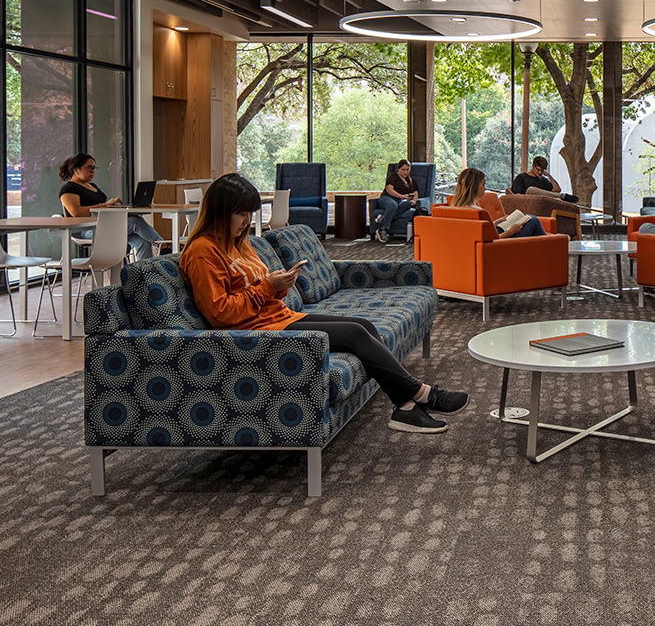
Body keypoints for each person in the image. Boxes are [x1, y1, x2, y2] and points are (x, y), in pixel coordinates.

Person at [179, 173, 467, 434]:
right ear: (220, 212)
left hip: (277, 319)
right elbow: (220, 313)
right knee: (355, 334)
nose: (246, 221)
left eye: (249, 214)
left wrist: (279, 285)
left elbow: (258, 291)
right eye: (241, 214)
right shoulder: (203, 252)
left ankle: (406, 406)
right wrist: (269, 286)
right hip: (254, 335)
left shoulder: (238, 243)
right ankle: (421, 395)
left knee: (362, 325)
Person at [57, 153, 164, 261]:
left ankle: (145, 275)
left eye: (94, 168)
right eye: (89, 167)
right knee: (135, 221)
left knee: (143, 241)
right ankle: (164, 246)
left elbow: (102, 207)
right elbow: (76, 212)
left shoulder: (92, 186)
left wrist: (115, 207)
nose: (92, 171)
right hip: (86, 229)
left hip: (104, 224)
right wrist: (105, 205)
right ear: (76, 170)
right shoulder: (68, 189)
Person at [451, 167, 546, 238]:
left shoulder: (455, 208)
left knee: (526, 217)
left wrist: (494, 223)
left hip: (489, 239)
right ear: (474, 187)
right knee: (533, 220)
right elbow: (489, 241)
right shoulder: (477, 212)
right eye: (483, 185)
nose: (485, 188)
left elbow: (476, 234)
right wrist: (511, 232)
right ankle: (551, 251)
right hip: (499, 246)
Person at [373, 158, 421, 243]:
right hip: (387, 198)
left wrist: (414, 200)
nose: (405, 172)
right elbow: (389, 190)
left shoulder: (410, 180)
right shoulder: (393, 176)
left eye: (407, 170)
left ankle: (383, 217)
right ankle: (383, 229)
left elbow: (416, 193)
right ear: (398, 169)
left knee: (408, 204)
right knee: (393, 205)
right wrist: (401, 196)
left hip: (400, 201)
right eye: (403, 170)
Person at [510, 156, 577, 202]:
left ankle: (562, 197)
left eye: (542, 170)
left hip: (542, 203)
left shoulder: (543, 180)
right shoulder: (522, 177)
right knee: (531, 189)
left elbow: (557, 190)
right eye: (538, 169)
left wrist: (549, 176)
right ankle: (562, 196)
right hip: (528, 201)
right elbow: (517, 195)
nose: (540, 172)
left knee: (557, 199)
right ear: (533, 166)